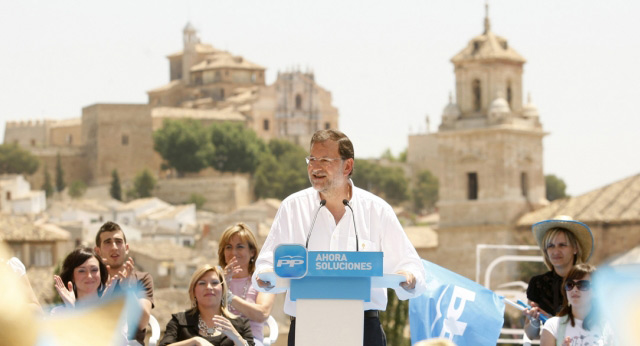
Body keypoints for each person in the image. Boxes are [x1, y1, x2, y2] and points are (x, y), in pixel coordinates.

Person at [253, 129, 427, 346]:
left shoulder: (377, 210)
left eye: (325, 160)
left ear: (347, 166)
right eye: (312, 159)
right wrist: (265, 276)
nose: (315, 167)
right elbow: (265, 266)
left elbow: (413, 267)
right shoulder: (292, 208)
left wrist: (406, 276)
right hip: (308, 328)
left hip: (364, 330)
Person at [523, 216, 594, 340]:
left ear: (575, 248)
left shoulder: (589, 280)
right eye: (550, 246)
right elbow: (531, 335)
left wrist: (552, 322)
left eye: (562, 245)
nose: (555, 251)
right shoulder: (538, 283)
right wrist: (534, 321)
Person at [159, 265, 255, 346]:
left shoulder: (240, 324)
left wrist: (236, 337)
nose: (209, 287)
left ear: (223, 290)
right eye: (202, 283)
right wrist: (195, 341)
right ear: (193, 292)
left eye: (214, 283)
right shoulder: (180, 321)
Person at [95, 221, 155, 345]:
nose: (114, 247)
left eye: (118, 242)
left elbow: (143, 322)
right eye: (107, 242)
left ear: (126, 248)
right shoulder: (91, 281)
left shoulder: (141, 279)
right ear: (98, 251)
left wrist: (127, 289)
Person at [218, 223, 275, 346]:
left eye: (240, 247)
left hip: (250, 340)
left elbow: (262, 314)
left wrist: (228, 296)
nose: (233, 252)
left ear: (252, 252)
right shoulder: (214, 279)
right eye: (228, 247)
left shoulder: (263, 280)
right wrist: (222, 282)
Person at [540, 264, 611, 345]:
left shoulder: (609, 326)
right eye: (570, 284)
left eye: (583, 285)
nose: (574, 289)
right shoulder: (552, 326)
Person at [52, 247, 111, 312]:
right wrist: (71, 309)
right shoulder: (58, 312)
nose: (89, 276)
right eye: (82, 271)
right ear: (72, 276)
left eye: (94, 270)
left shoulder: (116, 308)